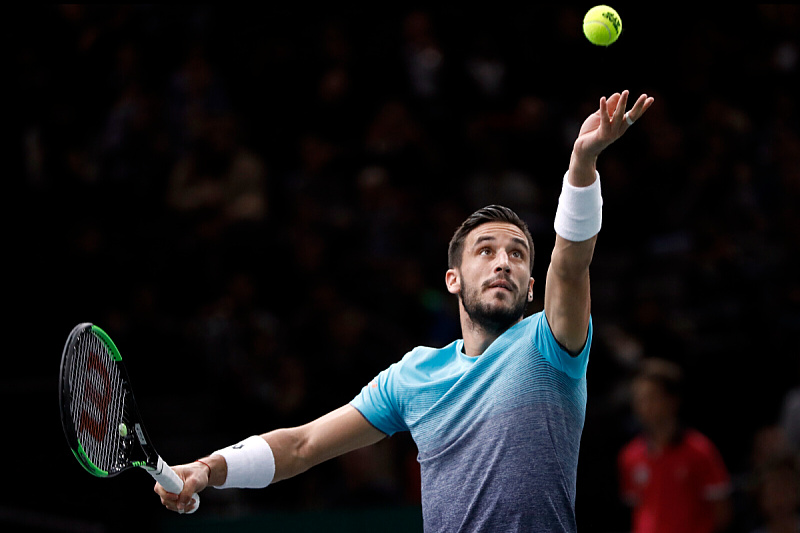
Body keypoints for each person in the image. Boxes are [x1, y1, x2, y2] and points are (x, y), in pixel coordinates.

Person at [155, 90, 654, 532]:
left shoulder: (551, 346)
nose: (503, 262)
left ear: (530, 290)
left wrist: (582, 164)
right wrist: (209, 468)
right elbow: (302, 445)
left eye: (518, 255)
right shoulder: (413, 375)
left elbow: (570, 263)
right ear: (452, 281)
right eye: (485, 251)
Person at [618, 358, 733, 533]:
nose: (645, 406)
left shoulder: (700, 450)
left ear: (672, 400)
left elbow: (721, 512)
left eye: (652, 397)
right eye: (640, 399)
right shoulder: (629, 455)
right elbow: (637, 507)